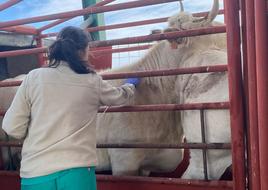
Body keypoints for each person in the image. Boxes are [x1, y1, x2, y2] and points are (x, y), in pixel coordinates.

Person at [2, 26, 140, 190]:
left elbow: (12, 128)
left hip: (35, 175)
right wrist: (130, 85)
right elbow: (119, 97)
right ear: (84, 50)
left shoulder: (33, 78)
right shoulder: (92, 81)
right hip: (77, 174)